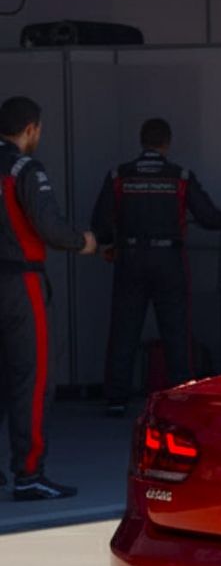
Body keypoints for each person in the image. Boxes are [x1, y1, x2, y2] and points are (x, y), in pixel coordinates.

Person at [92, 117, 221, 416]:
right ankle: (181, 396)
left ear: (142, 141)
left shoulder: (119, 176)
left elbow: (100, 222)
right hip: (169, 261)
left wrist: (109, 244)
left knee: (124, 329)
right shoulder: (179, 176)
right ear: (167, 143)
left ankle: (116, 399)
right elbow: (208, 217)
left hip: (129, 258)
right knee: (176, 330)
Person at [0, 96, 97, 501]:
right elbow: (50, 227)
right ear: (31, 129)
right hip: (20, 284)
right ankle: (29, 474)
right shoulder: (25, 169)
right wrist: (83, 242)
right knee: (34, 378)